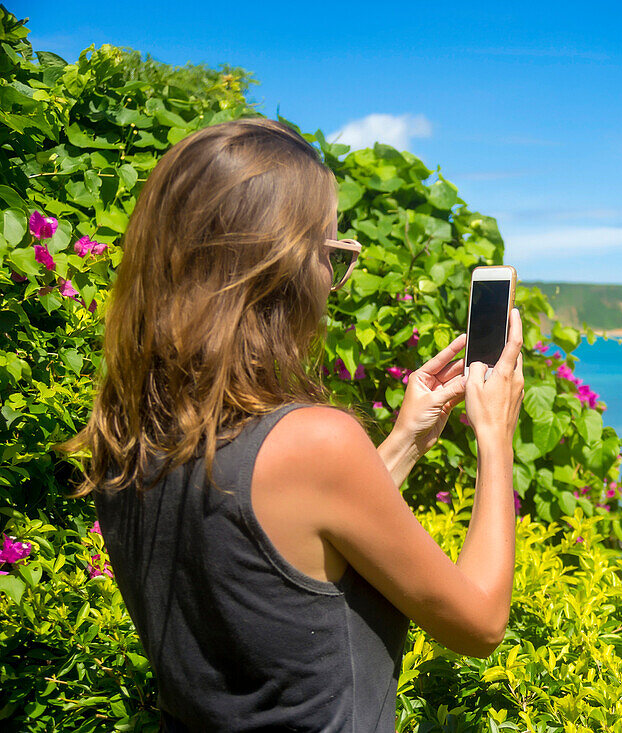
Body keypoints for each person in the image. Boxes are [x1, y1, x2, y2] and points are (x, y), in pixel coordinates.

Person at [56, 117, 525, 731]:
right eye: (332, 253)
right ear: (282, 269)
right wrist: (496, 437)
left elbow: (279, 542)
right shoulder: (314, 443)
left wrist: (405, 441)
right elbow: (481, 622)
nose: (332, 280)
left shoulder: (127, 436)